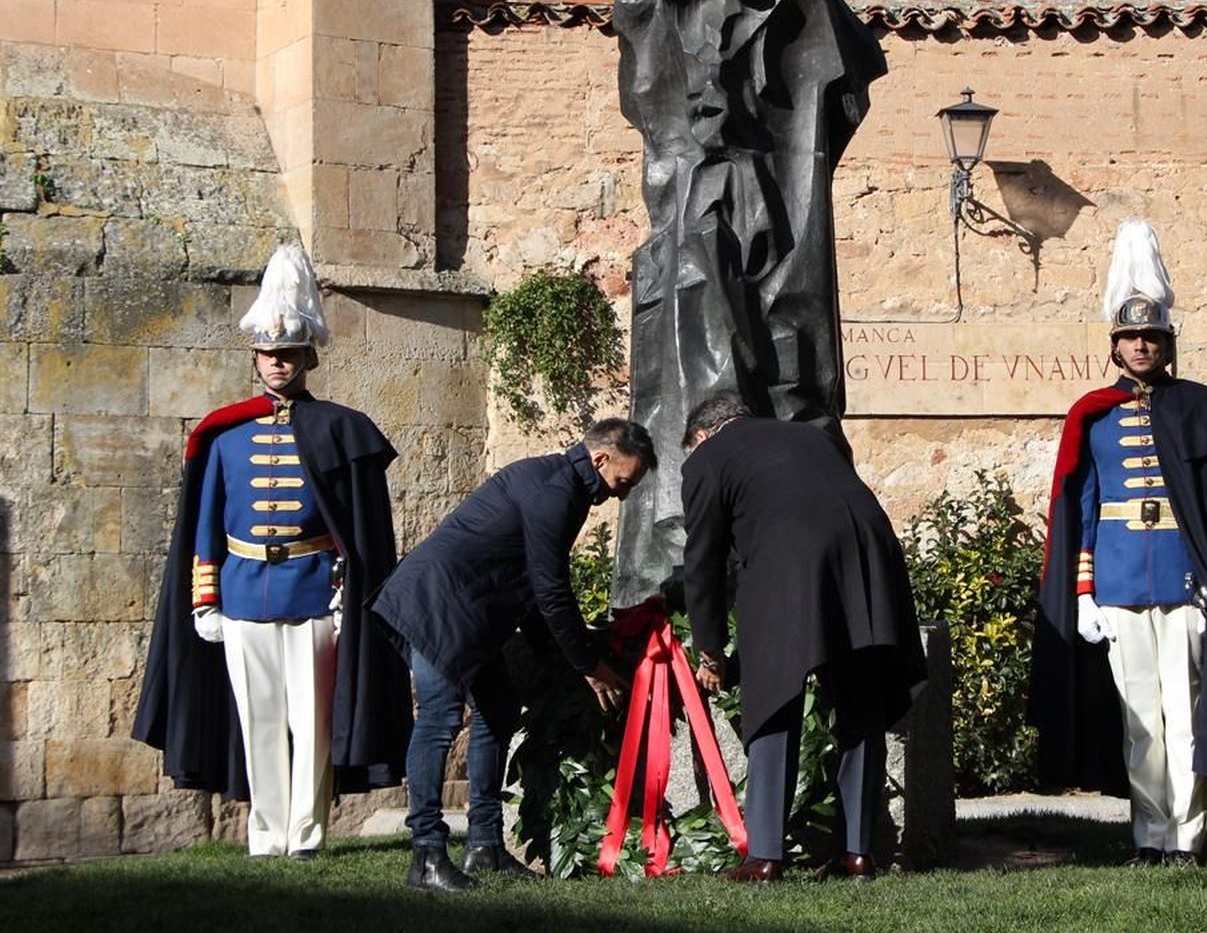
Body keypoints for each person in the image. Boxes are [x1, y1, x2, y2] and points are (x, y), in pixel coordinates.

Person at [611, 0, 887, 606]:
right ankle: (693, 537)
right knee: (699, 330)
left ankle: (778, 515)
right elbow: (646, 99)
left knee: (788, 344)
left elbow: (848, 91)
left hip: (774, 183)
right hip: (693, 196)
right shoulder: (652, 1)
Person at [1027, 220, 1207, 868]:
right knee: (1140, 720)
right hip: (1120, 582)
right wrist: (1085, 589)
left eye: (1151, 335)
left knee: (1186, 716)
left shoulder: (1202, 411)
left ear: (1166, 343)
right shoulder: (1093, 415)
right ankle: (1150, 834)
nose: (1141, 345)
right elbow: (1083, 509)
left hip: (1182, 580)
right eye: (1130, 336)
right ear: (1115, 345)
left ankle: (1186, 836)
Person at [133, 245, 412, 858]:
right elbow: (204, 526)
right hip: (241, 592)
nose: (278, 365)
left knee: (311, 725)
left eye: (288, 355)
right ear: (255, 358)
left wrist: (345, 592)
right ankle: (265, 834)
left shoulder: (343, 429)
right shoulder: (225, 435)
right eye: (268, 355)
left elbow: (357, 531)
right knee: (257, 720)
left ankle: (307, 834)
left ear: (308, 358)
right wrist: (205, 599)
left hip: (312, 590)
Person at [371, 419, 656, 892]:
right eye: (623, 482)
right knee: (439, 721)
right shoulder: (556, 490)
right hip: (438, 605)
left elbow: (529, 585)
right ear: (601, 457)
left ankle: (484, 845)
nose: (623, 495)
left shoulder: (562, 485)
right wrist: (589, 665)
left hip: (469, 612)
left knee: (498, 712)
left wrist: (563, 660)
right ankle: (426, 854)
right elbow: (549, 589)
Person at [680, 393, 927, 882]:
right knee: (862, 704)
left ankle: (765, 854)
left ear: (702, 435)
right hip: (869, 556)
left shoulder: (708, 457)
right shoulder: (810, 434)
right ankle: (858, 852)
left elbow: (702, 561)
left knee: (775, 697)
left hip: (790, 564)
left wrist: (709, 649)